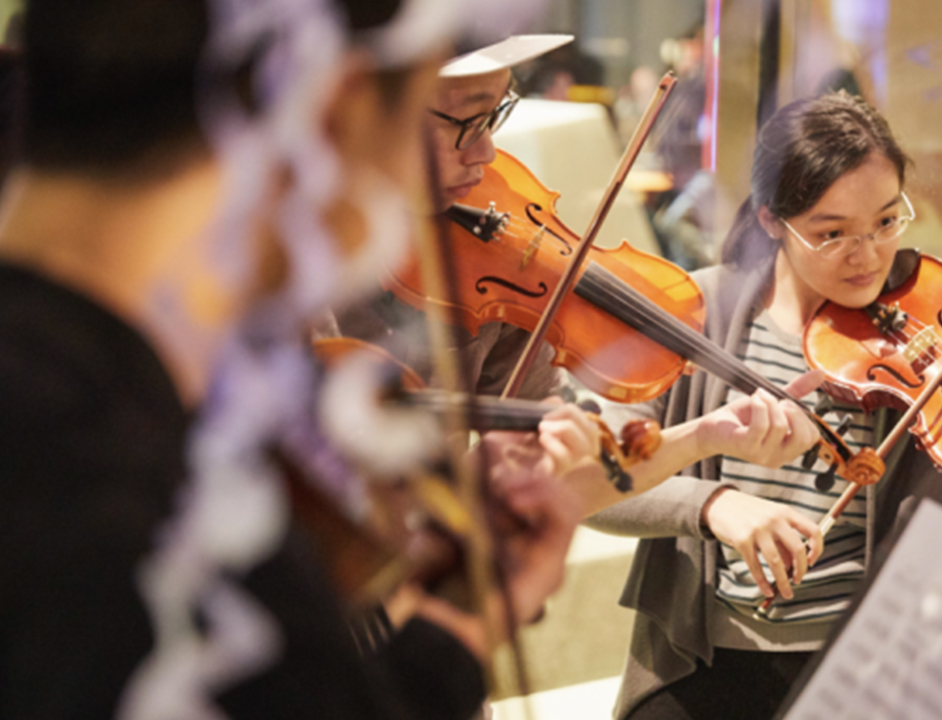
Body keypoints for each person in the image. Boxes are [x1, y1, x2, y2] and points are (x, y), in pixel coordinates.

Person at [0, 1, 574, 718]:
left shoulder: (122, 410)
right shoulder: (122, 491)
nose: (483, 163)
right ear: (334, 112)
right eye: (425, 124)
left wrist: (454, 626)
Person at [332, 35, 835, 517]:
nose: (486, 153)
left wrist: (705, 438)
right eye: (466, 121)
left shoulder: (486, 270)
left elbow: (556, 477)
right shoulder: (287, 279)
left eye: (495, 116)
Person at [587, 91, 942, 720]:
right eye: (831, 233)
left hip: (859, 669)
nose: (867, 256)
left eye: (887, 222)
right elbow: (595, 477)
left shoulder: (918, 328)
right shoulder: (694, 312)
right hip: (705, 659)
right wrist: (712, 506)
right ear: (769, 220)